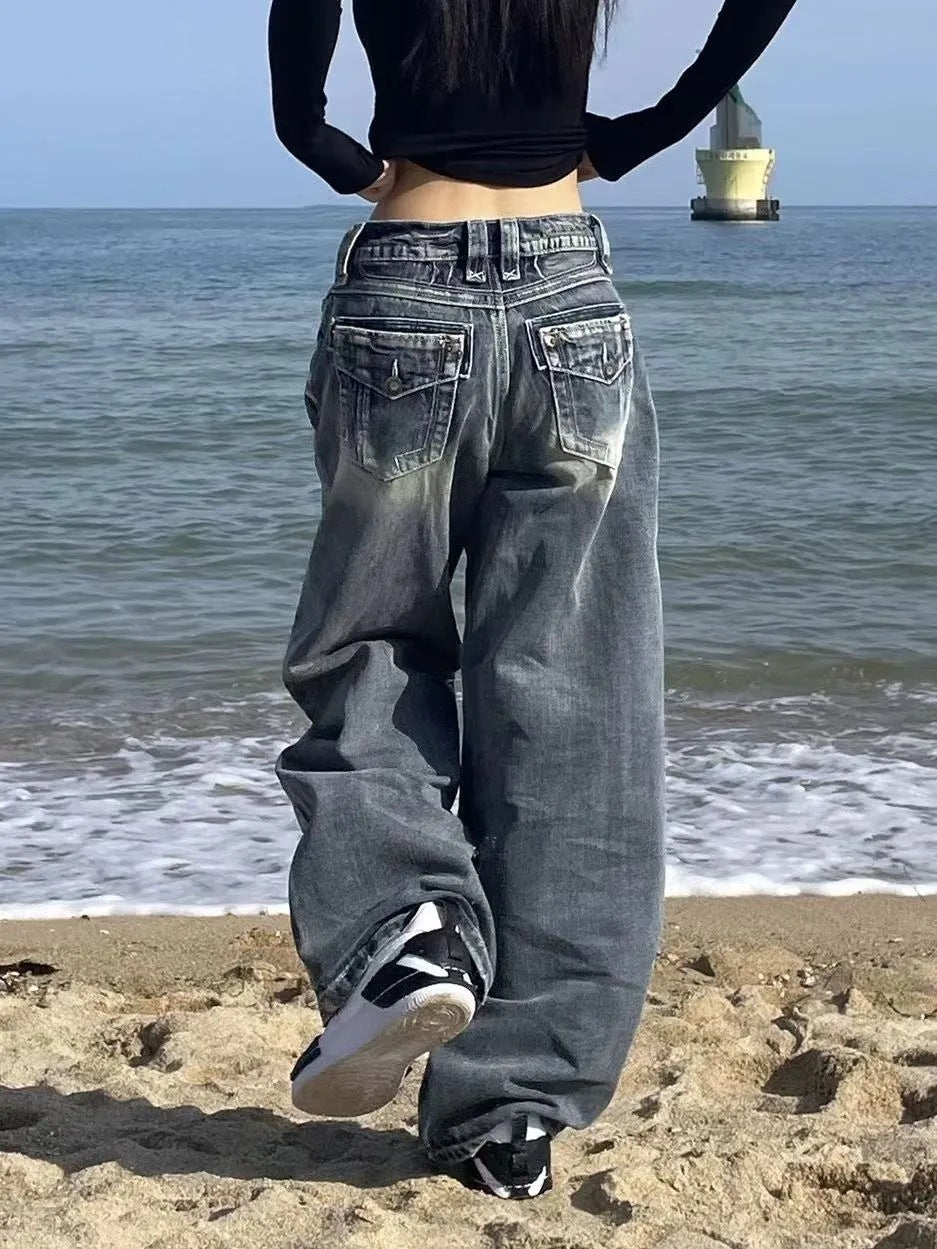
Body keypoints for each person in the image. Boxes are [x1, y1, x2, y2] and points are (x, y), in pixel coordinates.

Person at [269, 0, 795, 1201]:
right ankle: (510, 1108)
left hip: (406, 275)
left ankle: (406, 925)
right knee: (573, 698)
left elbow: (299, 67)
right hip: (568, 289)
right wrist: (640, 132)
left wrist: (336, 153)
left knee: (370, 642)